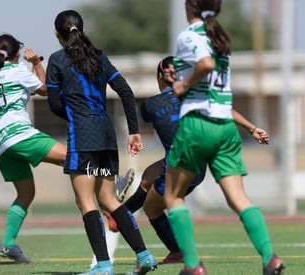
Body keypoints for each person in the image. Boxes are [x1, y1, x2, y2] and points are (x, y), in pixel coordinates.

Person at [104, 56, 271, 266]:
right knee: (147, 176)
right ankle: (120, 215)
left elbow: (153, 118)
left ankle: (175, 249)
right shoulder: (196, 97)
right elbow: (225, 110)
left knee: (151, 208)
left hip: (179, 164)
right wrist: (253, 128)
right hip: (197, 162)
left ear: (159, 76)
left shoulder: (150, 105)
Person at [163, 1, 286, 274]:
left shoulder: (188, 36)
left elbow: (204, 65)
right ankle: (270, 258)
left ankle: (193, 265)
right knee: (239, 199)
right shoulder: (220, 39)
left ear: (189, 6)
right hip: (225, 127)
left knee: (172, 196)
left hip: (197, 124)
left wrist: (183, 83)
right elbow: (212, 73)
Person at [46, 9, 157, 275]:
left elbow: (54, 104)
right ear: (81, 30)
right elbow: (126, 93)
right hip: (107, 136)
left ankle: (104, 267)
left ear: (56, 33)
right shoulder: (99, 57)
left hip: (82, 138)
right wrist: (134, 131)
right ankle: (144, 256)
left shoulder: (56, 60)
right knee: (108, 199)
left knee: (86, 202)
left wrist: (75, 114)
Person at [0, 34, 67, 263]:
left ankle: (8, 243)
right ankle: (109, 189)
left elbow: (34, 89)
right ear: (17, 53)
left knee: (26, 194)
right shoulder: (17, 71)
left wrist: (32, 68)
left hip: (0, 142)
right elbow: (46, 89)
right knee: (72, 156)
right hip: (18, 134)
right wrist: (37, 62)